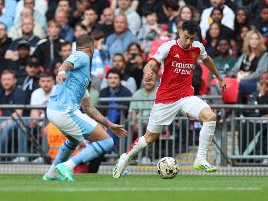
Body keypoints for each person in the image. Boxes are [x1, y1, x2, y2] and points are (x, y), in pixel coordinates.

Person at [113, 21, 227, 178]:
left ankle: (200, 159)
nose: (188, 42)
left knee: (210, 117)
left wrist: (219, 78)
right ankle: (125, 158)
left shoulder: (197, 47)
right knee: (150, 138)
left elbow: (207, 59)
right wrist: (147, 73)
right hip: (166, 99)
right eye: (186, 37)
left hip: (186, 96)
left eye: (191, 38)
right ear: (180, 32)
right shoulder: (168, 47)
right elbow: (151, 64)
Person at [42, 34, 127, 182]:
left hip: (54, 111)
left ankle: (51, 173)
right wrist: (61, 71)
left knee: (73, 141)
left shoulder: (80, 80)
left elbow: (89, 108)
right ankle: (67, 166)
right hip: (65, 111)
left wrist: (109, 124)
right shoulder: (82, 55)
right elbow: (66, 63)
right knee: (107, 142)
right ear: (91, 48)